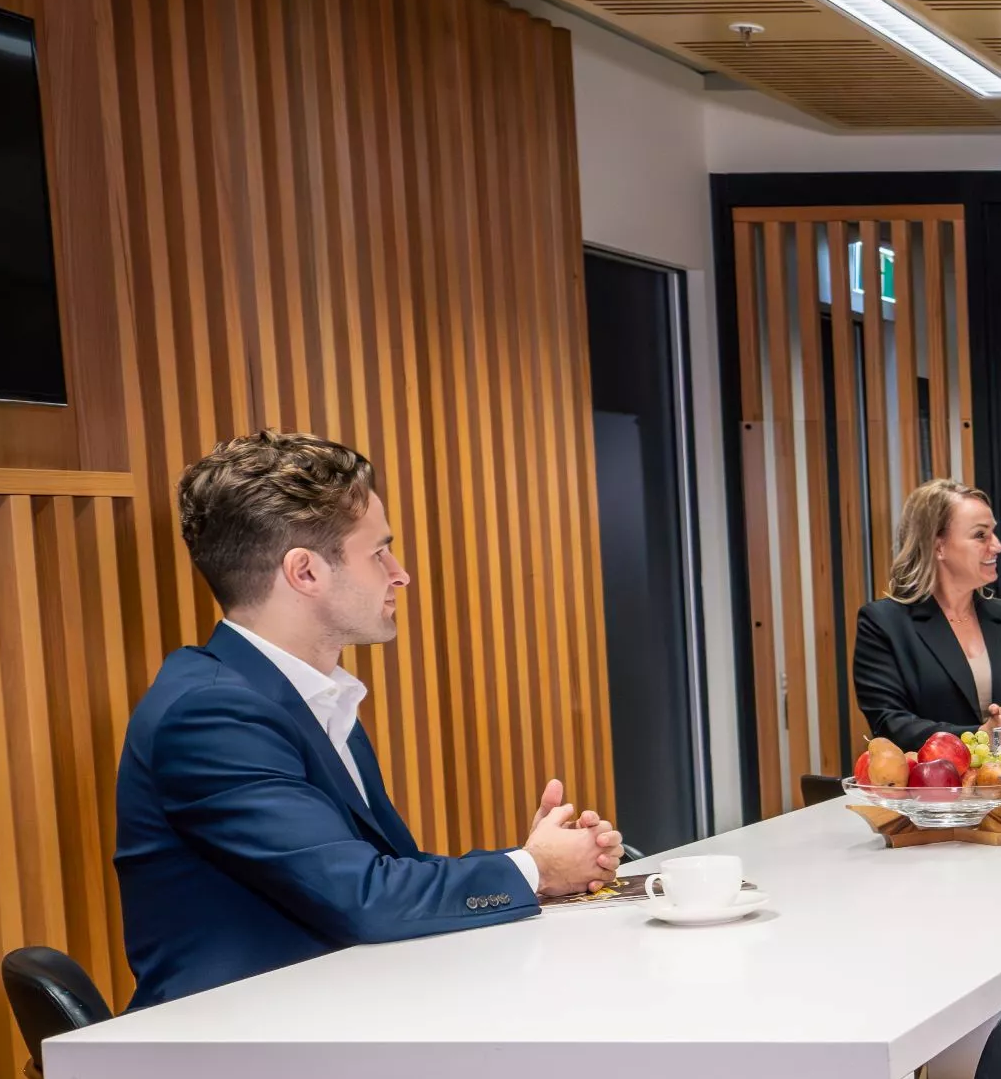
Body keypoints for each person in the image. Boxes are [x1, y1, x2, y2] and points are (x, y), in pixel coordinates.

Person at [116, 432, 623, 1008]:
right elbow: (365, 898)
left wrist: (537, 865)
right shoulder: (211, 714)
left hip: (329, 1015)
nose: (400, 573)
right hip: (245, 1050)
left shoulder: (304, 694)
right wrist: (532, 868)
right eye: (379, 551)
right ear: (305, 572)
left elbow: (380, 874)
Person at [852, 480, 1001, 752]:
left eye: (993, 533)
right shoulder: (883, 622)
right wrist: (980, 736)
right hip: (931, 789)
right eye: (980, 535)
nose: (997, 546)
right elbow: (891, 723)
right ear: (938, 546)